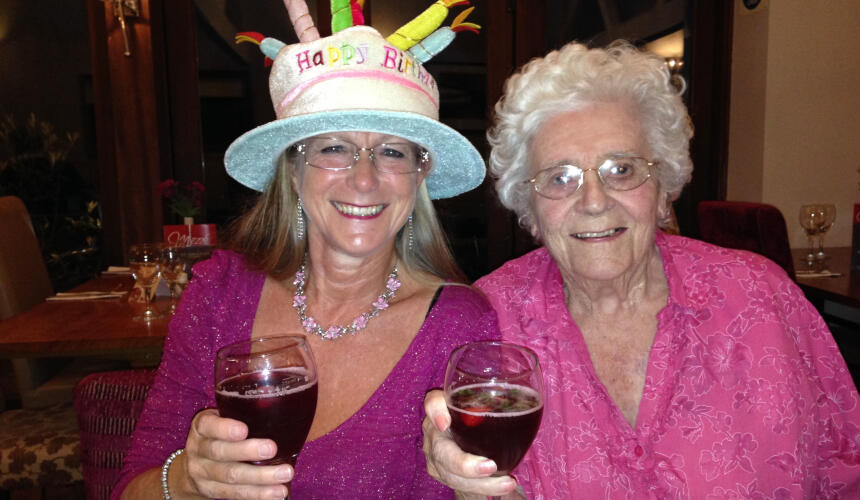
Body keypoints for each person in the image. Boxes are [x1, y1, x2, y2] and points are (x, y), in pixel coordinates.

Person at [423, 41, 860, 499]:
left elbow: (846, 468)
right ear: (528, 208)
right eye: (560, 178)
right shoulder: (487, 319)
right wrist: (453, 477)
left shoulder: (762, 298)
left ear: (664, 188)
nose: (593, 201)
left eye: (621, 169)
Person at [114, 2, 498, 499]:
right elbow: (130, 488)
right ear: (293, 171)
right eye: (334, 148)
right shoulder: (218, 293)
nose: (364, 178)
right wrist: (188, 479)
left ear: (419, 176)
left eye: (392, 151)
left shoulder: (461, 326)